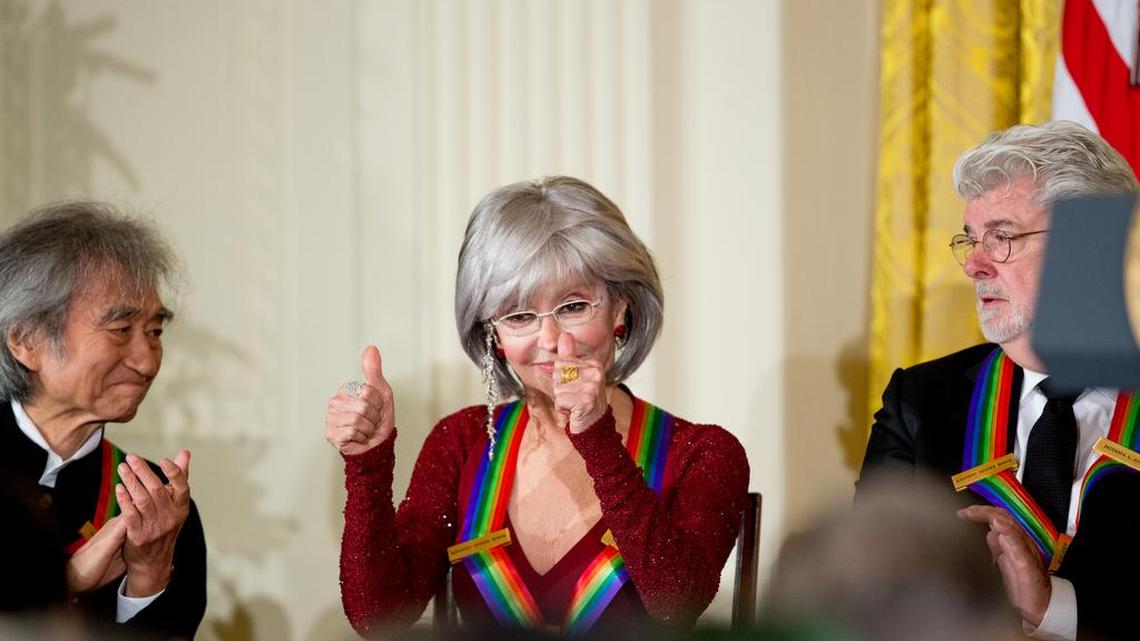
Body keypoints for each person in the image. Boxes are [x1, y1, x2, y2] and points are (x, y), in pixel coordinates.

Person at [327, 176, 750, 637]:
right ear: (495, 337)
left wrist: (596, 436)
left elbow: (678, 604)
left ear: (620, 310)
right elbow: (378, 617)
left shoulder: (703, 453)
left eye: (573, 306)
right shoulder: (461, 442)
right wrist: (367, 464)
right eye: (520, 316)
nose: (550, 340)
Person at [858, 121, 1140, 641]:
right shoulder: (920, 401)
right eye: (971, 238)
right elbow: (871, 590)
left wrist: (1055, 607)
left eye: (1002, 237)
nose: (973, 264)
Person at [0, 201, 207, 639]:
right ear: (26, 340)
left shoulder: (156, 503)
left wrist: (148, 578)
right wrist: (68, 583)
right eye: (120, 330)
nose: (146, 363)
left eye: (155, 332)